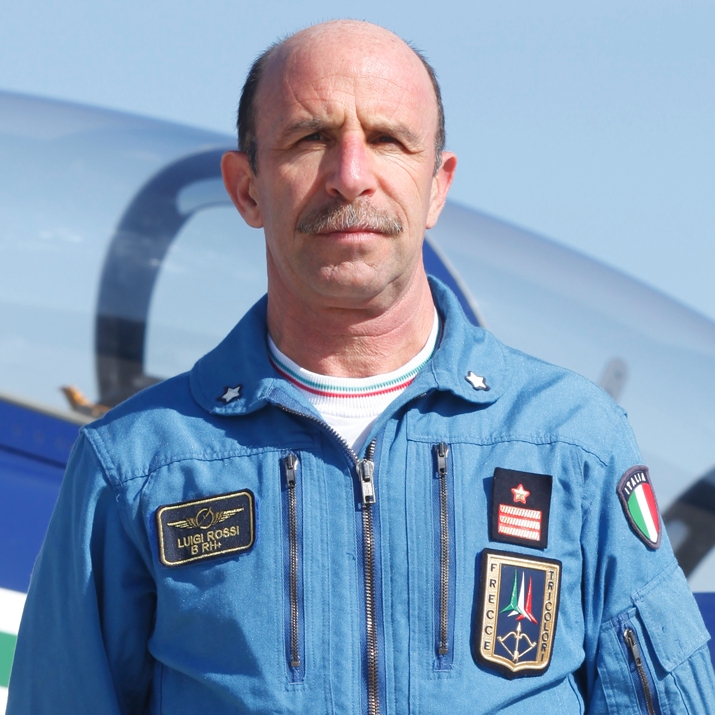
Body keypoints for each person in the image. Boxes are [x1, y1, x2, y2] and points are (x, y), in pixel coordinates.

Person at [8, 19, 715, 715]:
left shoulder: (573, 444)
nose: (350, 177)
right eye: (309, 139)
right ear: (247, 188)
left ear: (437, 186)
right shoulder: (135, 465)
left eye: (387, 141)